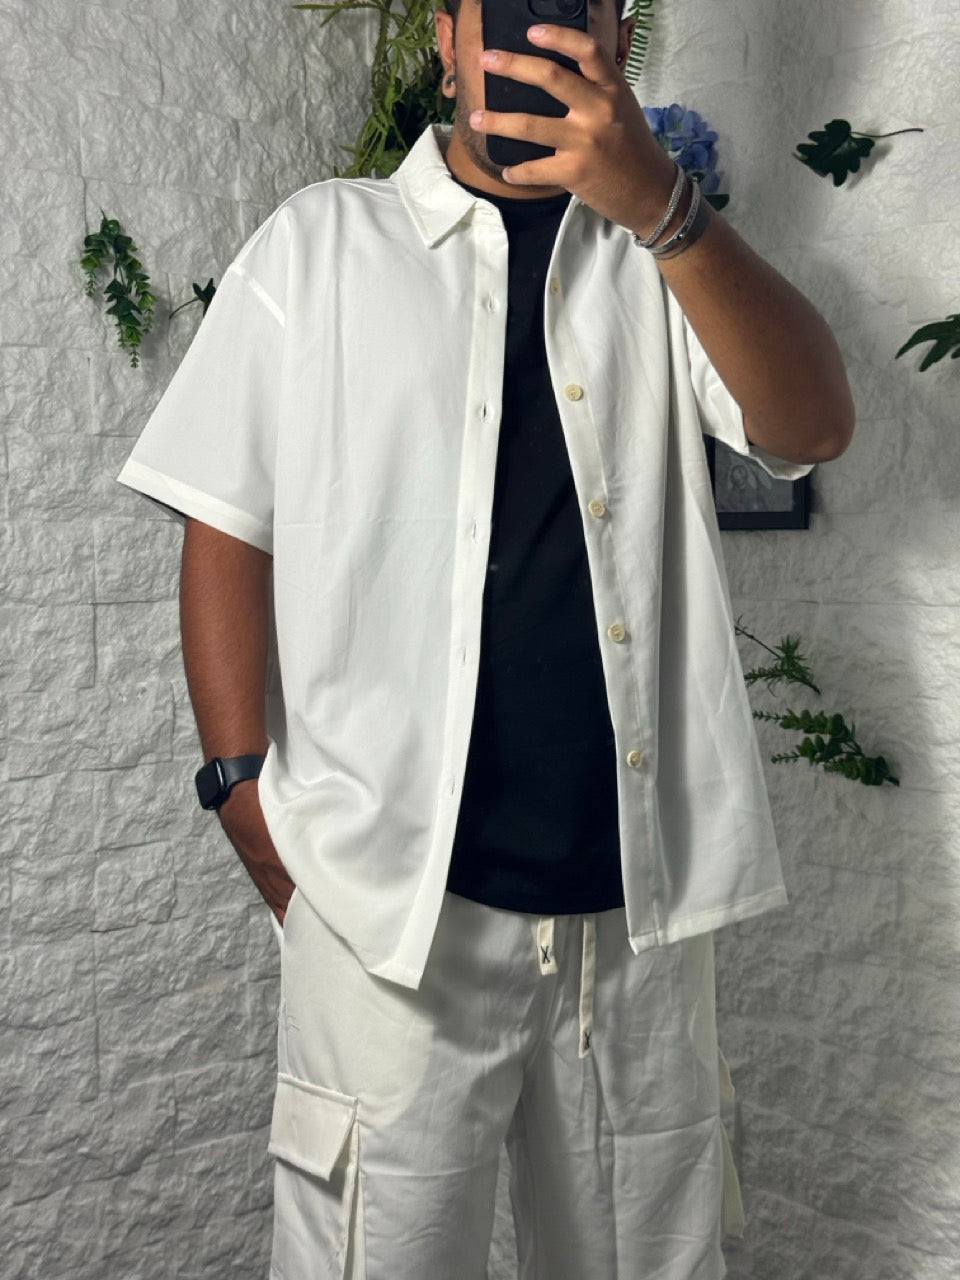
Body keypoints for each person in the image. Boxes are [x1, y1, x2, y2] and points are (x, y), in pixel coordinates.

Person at [116, 0, 855, 1274]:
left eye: (572, 9)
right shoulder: (320, 244)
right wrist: (239, 784)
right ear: (445, 41)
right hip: (390, 917)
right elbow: (227, 517)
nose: (530, 39)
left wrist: (664, 207)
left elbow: (811, 426)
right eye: (496, 11)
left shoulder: (663, 251)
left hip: (634, 917)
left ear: (616, 40)